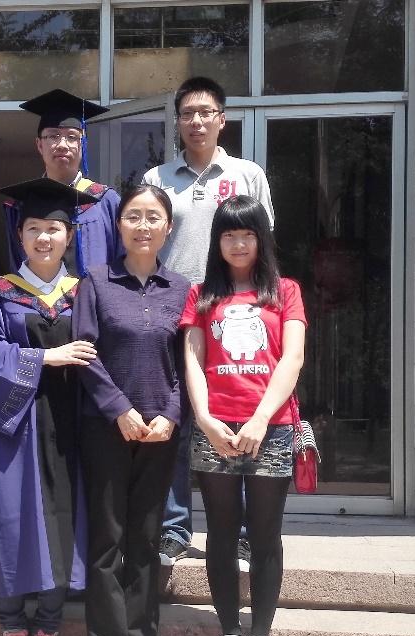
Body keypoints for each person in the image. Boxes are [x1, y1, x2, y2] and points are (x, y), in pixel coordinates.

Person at [143, 76, 275, 571]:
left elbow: (264, 241)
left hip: (232, 313)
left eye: (205, 112)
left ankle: (239, 532)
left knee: (235, 415)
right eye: (187, 114)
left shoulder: (247, 175)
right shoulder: (158, 178)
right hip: (171, 311)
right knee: (176, 419)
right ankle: (175, 528)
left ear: (222, 118)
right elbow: (145, 241)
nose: (196, 121)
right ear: (177, 122)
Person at [0, 177, 100, 636]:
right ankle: (12, 630)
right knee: (10, 520)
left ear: (70, 235)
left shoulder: (87, 293)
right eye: (33, 229)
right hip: (12, 427)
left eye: (53, 228)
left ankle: (46, 631)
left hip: (70, 427)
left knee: (62, 524)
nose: (43, 238)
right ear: (19, 235)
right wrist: (46, 357)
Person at [179, 195, 305, 636]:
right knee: (222, 533)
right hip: (216, 428)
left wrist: (259, 419)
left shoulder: (285, 291)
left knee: (266, 536)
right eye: (228, 235)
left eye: (247, 234)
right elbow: (193, 359)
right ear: (217, 241)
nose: (237, 243)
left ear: (261, 238)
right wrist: (205, 419)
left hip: (270, 427)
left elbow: (292, 359)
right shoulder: (201, 294)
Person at [72, 185, 191, 636]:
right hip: (105, 430)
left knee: (145, 540)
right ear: (119, 225)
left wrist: (171, 415)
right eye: (133, 217)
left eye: (153, 217)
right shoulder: (95, 283)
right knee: (107, 539)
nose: (143, 226)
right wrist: (118, 408)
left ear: (168, 227)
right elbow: (84, 353)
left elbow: (191, 364)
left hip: (161, 434)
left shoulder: (182, 289)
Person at [3, 88, 122, 275]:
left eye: (72, 137)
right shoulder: (20, 204)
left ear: (83, 144)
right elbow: (16, 266)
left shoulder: (105, 201)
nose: (62, 145)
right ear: (39, 145)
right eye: (53, 136)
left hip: (95, 294)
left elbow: (122, 262)